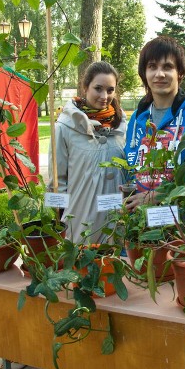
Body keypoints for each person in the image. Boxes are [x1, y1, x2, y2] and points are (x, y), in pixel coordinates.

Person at [124, 36, 185, 211]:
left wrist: (159, 195)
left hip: (184, 226)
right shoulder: (138, 119)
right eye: (152, 67)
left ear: (180, 73)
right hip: (141, 223)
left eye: (167, 67)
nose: (159, 74)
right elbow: (132, 164)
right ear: (144, 74)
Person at [48, 61, 126, 243]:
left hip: (117, 223)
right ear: (85, 87)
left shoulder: (123, 125)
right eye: (98, 88)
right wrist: (57, 223)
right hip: (81, 222)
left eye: (110, 90)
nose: (104, 96)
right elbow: (56, 182)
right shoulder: (65, 127)